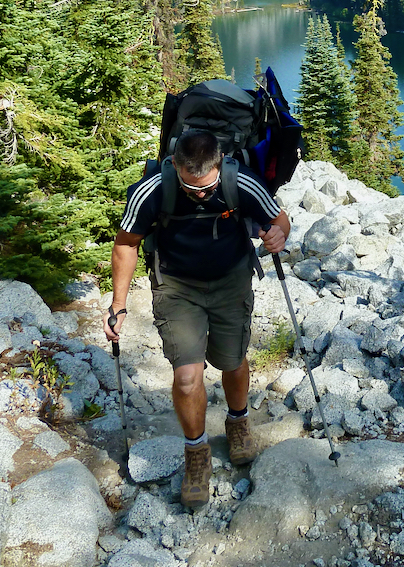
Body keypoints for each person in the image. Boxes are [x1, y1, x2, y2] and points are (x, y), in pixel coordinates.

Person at [104, 130, 290, 508]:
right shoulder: (152, 190)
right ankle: (196, 453)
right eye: (191, 189)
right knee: (187, 377)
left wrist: (278, 236)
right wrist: (117, 305)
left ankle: (238, 422)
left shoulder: (242, 182)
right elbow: (126, 243)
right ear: (175, 166)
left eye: (207, 188)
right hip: (176, 287)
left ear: (219, 164)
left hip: (231, 281)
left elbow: (278, 218)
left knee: (232, 360)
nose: (201, 194)